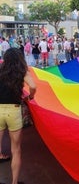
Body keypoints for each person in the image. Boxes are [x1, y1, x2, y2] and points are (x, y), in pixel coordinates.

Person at [0, 48, 36, 184]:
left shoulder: (0, 70)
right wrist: (30, 97)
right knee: (16, 150)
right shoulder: (22, 73)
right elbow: (33, 86)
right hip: (13, 110)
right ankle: (14, 182)